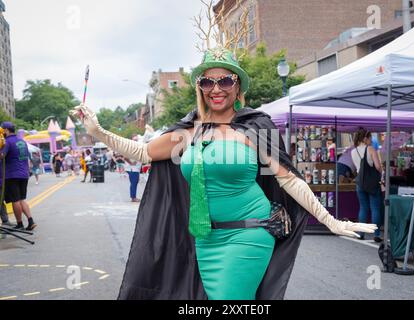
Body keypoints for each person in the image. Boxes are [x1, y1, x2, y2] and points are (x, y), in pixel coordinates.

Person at [71, 47, 376, 300]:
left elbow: (287, 178)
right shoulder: (189, 132)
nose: (216, 89)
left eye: (225, 81)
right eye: (208, 82)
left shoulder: (255, 127)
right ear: (200, 88)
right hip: (206, 239)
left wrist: (329, 220)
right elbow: (142, 152)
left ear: (237, 86)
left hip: (249, 233)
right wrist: (97, 131)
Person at [0, 122, 36, 231]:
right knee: (21, 199)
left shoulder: (7, 142)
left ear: (6, 130)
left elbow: (2, 156)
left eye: (2, 130)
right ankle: (30, 221)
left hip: (12, 175)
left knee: (15, 200)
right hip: (24, 174)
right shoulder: (22, 141)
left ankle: (19, 223)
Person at [351, 128, 383, 242]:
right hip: (372, 183)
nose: (371, 140)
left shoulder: (353, 151)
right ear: (365, 138)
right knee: (375, 208)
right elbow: (378, 166)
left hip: (360, 183)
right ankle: (376, 234)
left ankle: (361, 233)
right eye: (370, 138)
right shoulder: (370, 149)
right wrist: (381, 173)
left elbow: (357, 168)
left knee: (363, 208)